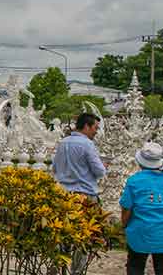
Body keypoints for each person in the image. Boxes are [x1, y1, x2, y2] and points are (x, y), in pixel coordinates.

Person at [52, 112, 106, 275]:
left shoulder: (63, 143)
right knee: (82, 238)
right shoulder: (87, 145)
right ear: (87, 126)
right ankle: (77, 272)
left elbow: (55, 168)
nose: (96, 131)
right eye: (95, 128)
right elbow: (99, 171)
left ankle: (59, 268)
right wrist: (103, 167)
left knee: (62, 235)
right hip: (85, 197)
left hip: (63, 196)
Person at [120, 142, 163, 275]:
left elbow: (126, 209)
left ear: (140, 162)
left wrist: (124, 225)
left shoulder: (133, 181)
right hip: (161, 234)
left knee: (135, 267)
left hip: (139, 233)